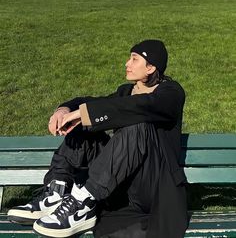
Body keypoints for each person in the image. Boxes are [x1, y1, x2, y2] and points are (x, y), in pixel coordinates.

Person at [8, 40, 188, 238]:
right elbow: (97, 103)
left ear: (151, 67)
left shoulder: (171, 93)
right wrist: (66, 110)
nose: (127, 64)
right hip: (124, 182)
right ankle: (55, 193)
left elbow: (141, 107)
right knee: (83, 126)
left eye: (134, 59)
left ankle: (84, 201)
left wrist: (83, 113)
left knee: (136, 124)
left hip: (154, 186)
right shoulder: (126, 92)